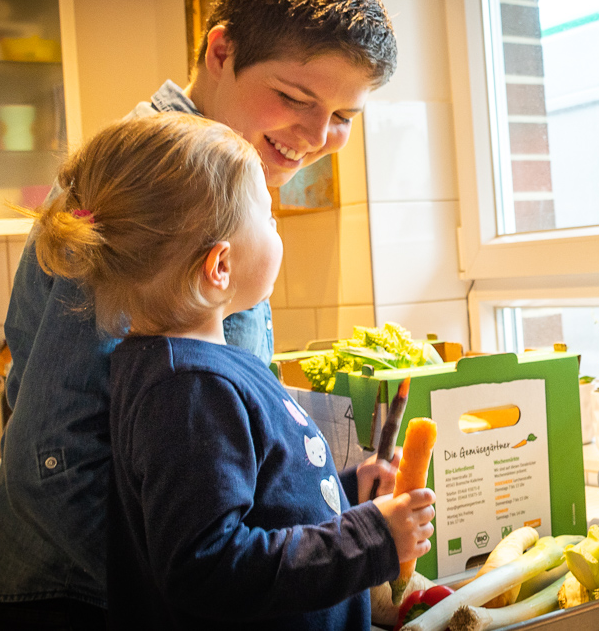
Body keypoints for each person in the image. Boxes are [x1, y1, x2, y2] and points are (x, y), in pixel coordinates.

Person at [0, 0, 399, 629]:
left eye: (345, 116)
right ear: (221, 51)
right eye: (296, 97)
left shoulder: (223, 180)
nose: (319, 134)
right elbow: (60, 454)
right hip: (39, 595)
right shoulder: (153, 180)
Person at [42, 113, 432, 629]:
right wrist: (369, 537)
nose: (276, 229)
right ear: (219, 266)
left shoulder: (184, 372)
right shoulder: (190, 389)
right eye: (268, 218)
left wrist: (348, 492)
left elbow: (259, 500)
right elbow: (210, 567)